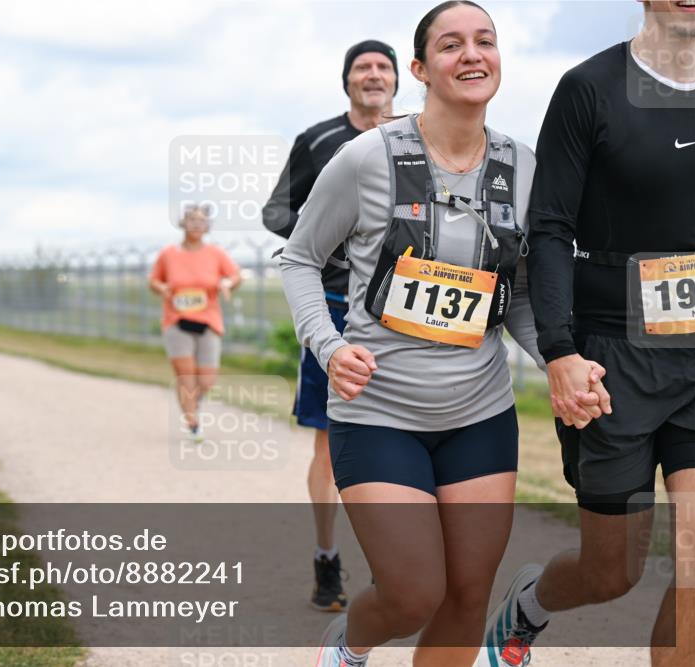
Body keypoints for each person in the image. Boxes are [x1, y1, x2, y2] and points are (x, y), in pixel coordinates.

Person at [280, 3, 607, 666]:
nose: (472, 54)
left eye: (485, 41)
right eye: (451, 44)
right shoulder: (366, 159)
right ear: (422, 70)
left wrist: (557, 359)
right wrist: (329, 343)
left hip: (479, 414)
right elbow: (299, 258)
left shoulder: (523, 168)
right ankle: (349, 644)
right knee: (412, 592)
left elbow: (511, 296)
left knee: (465, 594)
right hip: (379, 412)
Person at [481, 2, 695, 666]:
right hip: (611, 358)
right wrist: (559, 349)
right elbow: (549, 228)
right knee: (612, 572)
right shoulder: (590, 87)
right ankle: (530, 605)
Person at [263, 38, 399, 613]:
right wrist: (333, 240)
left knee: (407, 439)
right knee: (331, 445)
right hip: (337, 312)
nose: (372, 75)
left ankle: (401, 565)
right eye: (361, 67)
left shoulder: (418, 136)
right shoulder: (318, 142)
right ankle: (327, 558)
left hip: (407, 316)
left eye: (382, 67)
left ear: (400, 79)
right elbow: (276, 212)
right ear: (347, 81)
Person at [149, 205, 241, 441]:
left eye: (201, 221)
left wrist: (226, 285)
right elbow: (153, 281)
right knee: (185, 374)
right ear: (183, 224)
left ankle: (192, 404)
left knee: (207, 379)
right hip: (177, 320)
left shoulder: (216, 254)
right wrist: (163, 288)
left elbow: (235, 276)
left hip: (208, 320)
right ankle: (192, 421)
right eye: (192, 220)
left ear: (207, 226)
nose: (197, 224)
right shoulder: (168, 254)